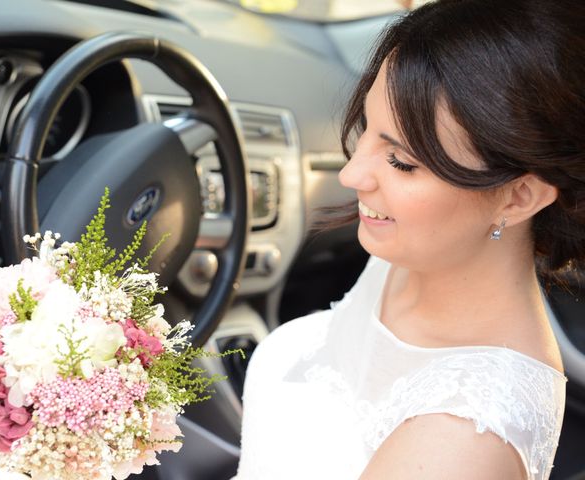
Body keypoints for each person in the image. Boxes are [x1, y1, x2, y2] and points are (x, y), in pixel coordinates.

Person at [235, 0, 583, 479]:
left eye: (401, 162)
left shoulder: (463, 440)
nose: (353, 173)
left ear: (519, 196)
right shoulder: (417, 250)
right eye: (366, 131)